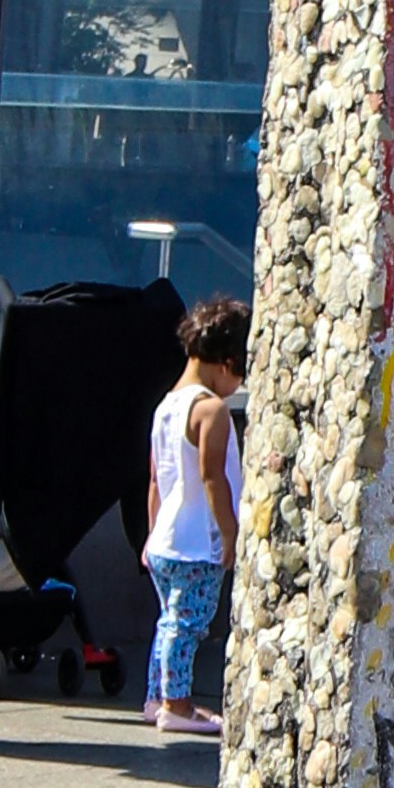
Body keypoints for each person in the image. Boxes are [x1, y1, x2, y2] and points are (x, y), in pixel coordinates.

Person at [143, 299, 251, 732]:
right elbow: (213, 477)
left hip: (165, 539)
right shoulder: (212, 410)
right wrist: (229, 533)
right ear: (226, 363)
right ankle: (178, 705)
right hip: (196, 542)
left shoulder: (166, 406)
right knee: (187, 625)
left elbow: (155, 480)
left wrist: (150, 537)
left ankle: (156, 697)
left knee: (167, 621)